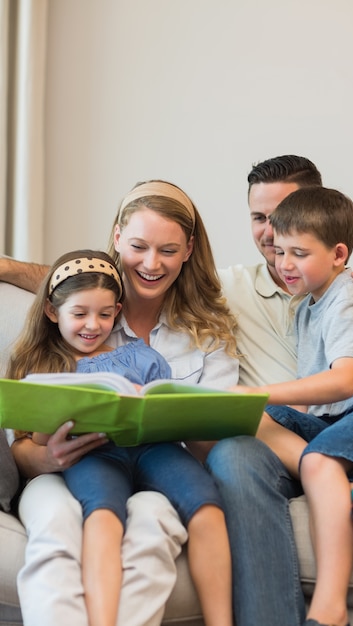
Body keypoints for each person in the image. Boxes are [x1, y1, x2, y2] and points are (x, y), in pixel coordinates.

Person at [3, 157, 353, 625]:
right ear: (118, 238)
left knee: (170, 509)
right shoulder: (116, 305)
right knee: (222, 457)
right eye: (261, 218)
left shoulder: (328, 293)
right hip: (116, 457)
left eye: (284, 219)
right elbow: (68, 285)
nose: (273, 234)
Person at [9, 180, 239, 626]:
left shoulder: (203, 332)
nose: (151, 263)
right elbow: (63, 286)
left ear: (189, 249)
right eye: (138, 246)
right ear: (117, 238)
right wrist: (46, 452)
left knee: (159, 519)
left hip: (161, 457)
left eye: (167, 250)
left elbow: (213, 438)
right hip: (85, 460)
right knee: (78, 518)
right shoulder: (75, 321)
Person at [205, 155, 353, 626]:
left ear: (337, 252)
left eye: (294, 247)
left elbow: (344, 380)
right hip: (340, 414)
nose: (278, 251)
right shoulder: (298, 300)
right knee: (252, 427)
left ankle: (330, 607)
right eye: (263, 224)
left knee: (319, 456)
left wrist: (262, 394)